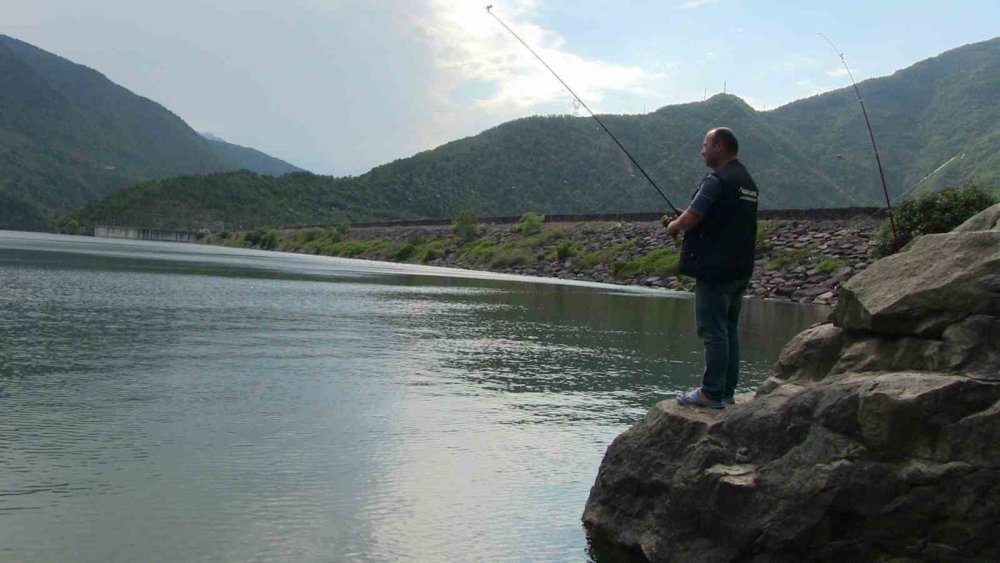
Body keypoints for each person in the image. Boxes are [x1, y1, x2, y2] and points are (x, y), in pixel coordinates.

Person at [664, 127, 759, 409]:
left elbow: (692, 217)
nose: (702, 150)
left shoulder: (716, 180)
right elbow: (721, 216)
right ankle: (726, 391)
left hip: (715, 269)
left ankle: (710, 393)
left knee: (712, 329)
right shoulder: (747, 182)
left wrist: (673, 226)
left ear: (719, 146)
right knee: (728, 328)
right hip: (740, 268)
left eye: (705, 145)